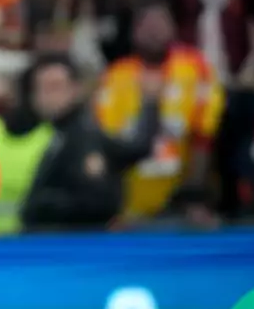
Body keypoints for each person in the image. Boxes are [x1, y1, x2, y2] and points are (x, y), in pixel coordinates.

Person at [96, 0, 224, 223]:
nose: (154, 30)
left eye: (161, 22)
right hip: (128, 203)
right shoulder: (116, 76)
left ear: (173, 27)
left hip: (183, 199)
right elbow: (109, 142)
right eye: (146, 23)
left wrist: (193, 197)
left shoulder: (196, 68)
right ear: (134, 31)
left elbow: (205, 136)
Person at [20, 53, 160, 230]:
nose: (48, 96)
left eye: (55, 87)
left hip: (77, 239)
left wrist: (149, 105)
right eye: (41, 88)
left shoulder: (85, 135)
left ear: (76, 89)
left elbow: (135, 150)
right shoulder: (46, 135)